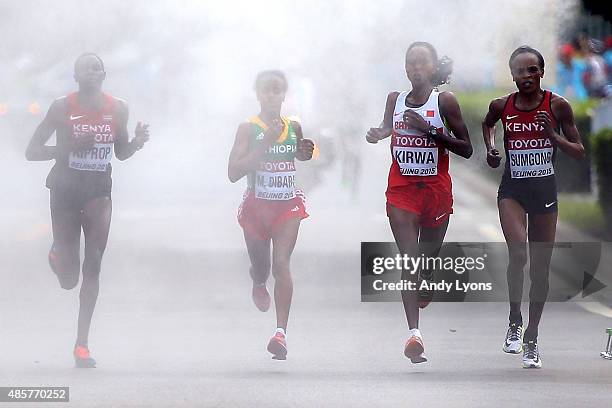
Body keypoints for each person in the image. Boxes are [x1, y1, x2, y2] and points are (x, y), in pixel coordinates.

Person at [25, 53, 150, 367]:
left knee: (93, 264)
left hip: (98, 192)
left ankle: (82, 344)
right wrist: (67, 149)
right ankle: (58, 254)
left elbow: (120, 153)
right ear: (76, 77)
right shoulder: (61, 107)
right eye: (85, 67)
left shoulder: (118, 108)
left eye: (96, 67)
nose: (91, 71)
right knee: (69, 278)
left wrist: (136, 142)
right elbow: (32, 151)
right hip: (65, 190)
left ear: (104, 74)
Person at [366, 42, 472, 363]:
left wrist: (430, 132)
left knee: (426, 260)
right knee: (409, 261)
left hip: (436, 192)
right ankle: (414, 334)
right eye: (410, 63)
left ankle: (427, 278)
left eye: (421, 63)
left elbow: (466, 148)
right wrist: (379, 133)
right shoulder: (394, 100)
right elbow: (388, 125)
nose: (415, 68)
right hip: (402, 189)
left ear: (433, 68)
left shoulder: (445, 102)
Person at [482, 45, 584, 368]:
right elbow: (488, 125)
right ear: (511, 75)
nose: (526, 76)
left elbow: (579, 150)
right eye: (519, 71)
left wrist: (552, 136)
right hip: (512, 189)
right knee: (518, 254)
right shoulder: (502, 105)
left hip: (545, 193)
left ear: (541, 72)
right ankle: (514, 318)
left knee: (540, 269)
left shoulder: (558, 106)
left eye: (532, 70)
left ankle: (532, 337)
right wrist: (491, 149)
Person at [228, 70, 314, 360]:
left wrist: (304, 151)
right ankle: (257, 279)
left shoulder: (293, 126)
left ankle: (281, 333)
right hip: (256, 207)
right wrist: (264, 143)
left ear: (284, 95)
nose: (272, 95)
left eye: (277, 90)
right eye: (266, 90)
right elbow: (233, 173)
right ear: (257, 94)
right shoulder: (248, 128)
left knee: (281, 263)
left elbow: (300, 155)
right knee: (263, 267)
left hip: (286, 206)